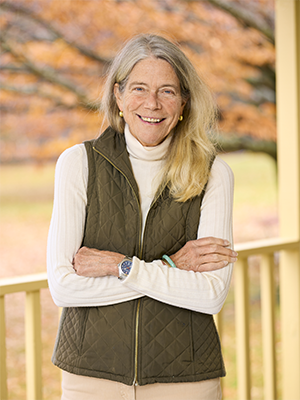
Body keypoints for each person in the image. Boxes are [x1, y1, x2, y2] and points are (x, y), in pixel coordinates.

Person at [47, 33, 237, 400]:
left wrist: (123, 266)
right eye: (138, 88)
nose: (152, 103)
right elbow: (63, 286)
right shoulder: (78, 164)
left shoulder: (214, 173)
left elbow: (211, 294)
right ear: (118, 96)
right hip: (91, 376)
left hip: (186, 379)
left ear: (184, 102)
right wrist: (171, 267)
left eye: (167, 90)